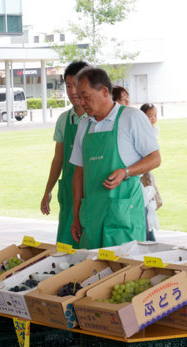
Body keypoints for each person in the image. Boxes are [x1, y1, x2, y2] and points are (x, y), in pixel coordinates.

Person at [70, 67, 161, 249]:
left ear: (104, 91)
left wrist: (126, 172)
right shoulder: (84, 125)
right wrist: (75, 216)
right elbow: (79, 173)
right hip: (92, 214)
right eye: (79, 97)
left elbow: (155, 158)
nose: (81, 102)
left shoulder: (131, 117)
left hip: (124, 214)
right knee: (91, 269)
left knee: (123, 271)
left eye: (85, 96)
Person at [41, 61, 89, 247]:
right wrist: (48, 191)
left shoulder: (98, 118)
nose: (73, 91)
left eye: (77, 85)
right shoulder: (63, 120)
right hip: (69, 190)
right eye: (69, 85)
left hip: (93, 191)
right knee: (67, 247)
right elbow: (58, 159)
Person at [140, 103, 162, 241]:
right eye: (150, 116)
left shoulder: (155, 130)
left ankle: (149, 237)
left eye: (155, 116)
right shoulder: (141, 131)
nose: (153, 119)